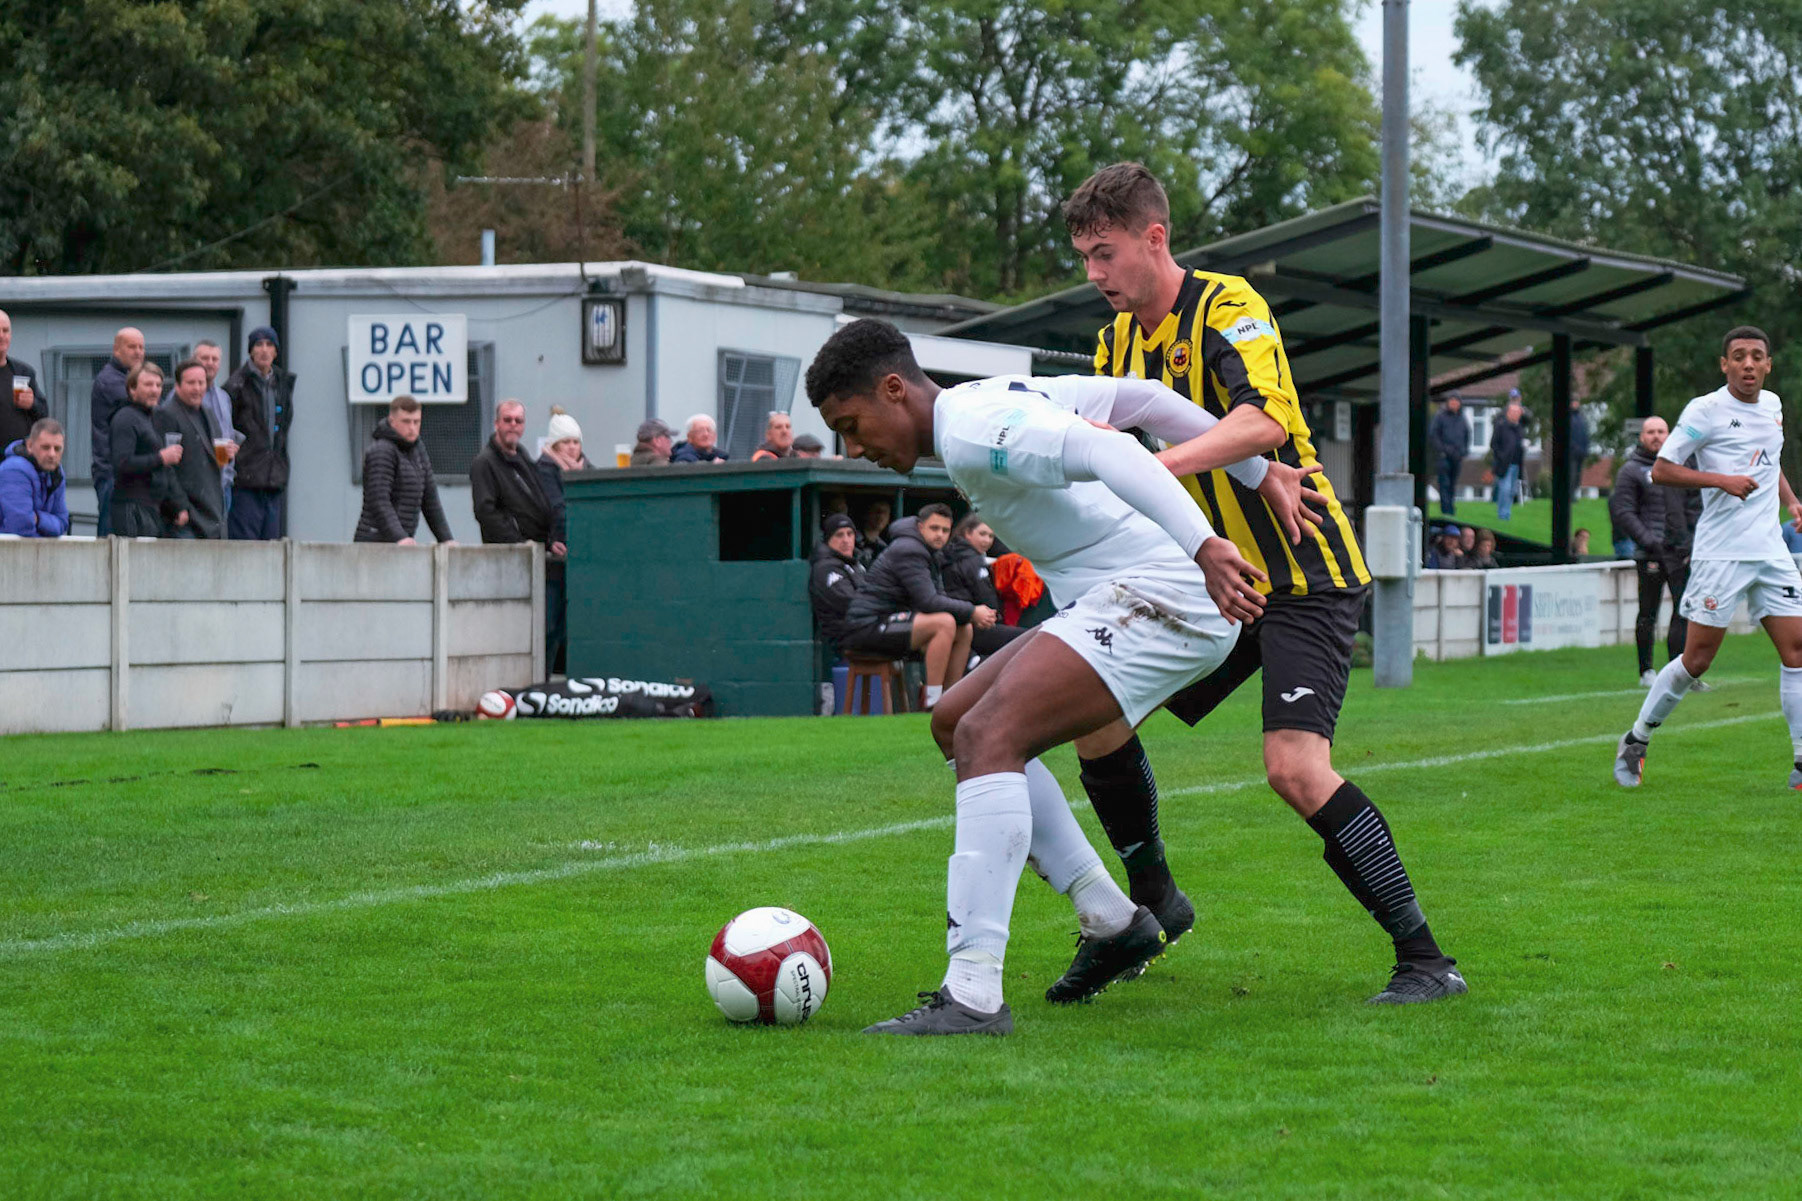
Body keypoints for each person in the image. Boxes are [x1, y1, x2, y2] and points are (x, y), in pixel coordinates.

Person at [806, 319, 1295, 1035]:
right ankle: (1110, 917)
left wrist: (1206, 545)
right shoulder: (990, 400)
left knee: (988, 734)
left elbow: (1108, 446)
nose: (854, 448)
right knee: (954, 722)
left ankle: (971, 992)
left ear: (893, 389)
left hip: (1167, 591)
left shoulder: (976, 428)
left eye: (852, 425)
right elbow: (1147, 397)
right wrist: (1260, 470)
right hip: (1127, 590)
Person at [1068, 161, 1463, 1004]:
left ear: (1154, 237)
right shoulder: (1114, 343)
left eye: (1104, 254)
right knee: (1091, 713)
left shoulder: (1228, 305)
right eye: (1086, 259)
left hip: (1301, 570)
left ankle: (1427, 959)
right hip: (1204, 574)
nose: (1094, 275)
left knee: (1293, 767)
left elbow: (1265, 419)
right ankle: (1156, 902)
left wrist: (1155, 469)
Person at [1615, 327, 1802, 789]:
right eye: (1738, 356)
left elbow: (1768, 460)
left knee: (1796, 652)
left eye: (1757, 356)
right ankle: (1637, 739)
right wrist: (1721, 481)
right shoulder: (1706, 410)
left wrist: (1792, 501)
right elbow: (1661, 470)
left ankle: (1800, 763)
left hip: (1770, 552)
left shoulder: (1775, 406)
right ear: (1725, 364)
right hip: (1721, 554)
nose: (1748, 364)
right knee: (1697, 659)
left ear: (1768, 364)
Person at [840, 503, 988, 709]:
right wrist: (972, 610)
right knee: (943, 623)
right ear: (920, 527)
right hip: (866, 626)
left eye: (945, 530)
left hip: (891, 622)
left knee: (964, 628)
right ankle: (933, 703)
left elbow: (938, 597)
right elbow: (928, 601)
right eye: (934, 528)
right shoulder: (909, 549)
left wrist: (967, 616)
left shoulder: (930, 551)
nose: (940, 535)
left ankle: (951, 701)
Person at [354, 394, 454, 546]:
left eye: (416, 422)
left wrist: (446, 539)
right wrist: (399, 537)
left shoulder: (418, 451)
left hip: (399, 543)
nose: (412, 428)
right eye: (406, 422)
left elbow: (430, 500)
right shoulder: (382, 451)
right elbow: (379, 500)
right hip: (374, 542)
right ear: (392, 421)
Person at [225, 325, 295, 540]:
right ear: (251, 350)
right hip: (245, 480)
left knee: (271, 548)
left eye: (269, 344)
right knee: (246, 548)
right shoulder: (236, 385)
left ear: (276, 351)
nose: (264, 350)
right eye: (259, 344)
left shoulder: (282, 383)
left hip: (274, 479)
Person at [535, 408, 589, 676]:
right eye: (566, 442)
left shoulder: (587, 470)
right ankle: (544, 679)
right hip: (555, 562)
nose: (572, 447)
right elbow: (557, 507)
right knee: (550, 626)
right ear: (555, 445)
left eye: (575, 442)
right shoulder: (544, 470)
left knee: (571, 627)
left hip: (580, 560)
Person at [109, 363, 186, 538]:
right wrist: (161, 458)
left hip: (152, 507)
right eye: (148, 385)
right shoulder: (126, 418)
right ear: (132, 389)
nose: (155, 390)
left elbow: (164, 469)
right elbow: (122, 463)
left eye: (158, 385)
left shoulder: (150, 417)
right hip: (132, 508)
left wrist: (177, 505)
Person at [158, 359, 228, 540]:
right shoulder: (168, 414)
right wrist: (178, 506)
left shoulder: (208, 412)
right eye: (191, 383)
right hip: (185, 515)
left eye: (201, 383)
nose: (197, 388)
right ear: (178, 385)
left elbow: (215, 458)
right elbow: (165, 467)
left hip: (211, 510)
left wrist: (226, 454)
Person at [943, 513, 1028, 658]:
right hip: (974, 627)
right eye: (982, 534)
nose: (987, 540)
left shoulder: (952, 552)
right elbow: (985, 597)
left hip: (964, 624)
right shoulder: (972, 559)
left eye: (991, 536)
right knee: (1028, 638)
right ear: (967, 533)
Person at [89, 326, 144, 537]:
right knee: (111, 542)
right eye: (132, 346)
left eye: (141, 347)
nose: (138, 352)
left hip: (129, 473)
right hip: (112, 474)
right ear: (116, 349)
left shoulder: (129, 379)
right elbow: (142, 406)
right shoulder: (111, 381)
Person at [0, 418, 68, 538]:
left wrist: (39, 518)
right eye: (45, 447)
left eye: (57, 449)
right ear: (30, 445)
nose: (52, 454)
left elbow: (62, 523)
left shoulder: (56, 473)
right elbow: (21, 527)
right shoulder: (14, 470)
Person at [808, 513, 866, 654]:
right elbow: (851, 604)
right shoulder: (825, 567)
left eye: (849, 534)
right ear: (828, 540)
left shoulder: (856, 564)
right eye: (839, 535)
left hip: (862, 629)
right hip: (843, 639)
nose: (846, 540)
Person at [194, 340, 235, 514]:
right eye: (204, 358)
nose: (210, 362)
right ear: (194, 360)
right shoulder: (185, 396)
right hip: (198, 487)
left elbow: (228, 434)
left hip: (224, 484)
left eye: (214, 359)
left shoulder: (224, 397)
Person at [0, 309, 46, 453]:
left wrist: (33, 404)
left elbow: (44, 415)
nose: (1, 336)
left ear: (11, 335)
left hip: (18, 460)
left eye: (5, 330)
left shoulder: (23, 372)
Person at [1428, 395, 1470, 516]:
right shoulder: (1440, 416)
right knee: (1444, 483)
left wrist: (1464, 450)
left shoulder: (1462, 418)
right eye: (1451, 401)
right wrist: (1442, 449)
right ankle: (1446, 509)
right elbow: (1433, 435)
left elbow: (1467, 434)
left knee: (1453, 483)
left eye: (1456, 401)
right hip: (1444, 456)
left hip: (1457, 456)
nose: (1454, 404)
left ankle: (1451, 507)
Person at [1490, 394, 1526, 521]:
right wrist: (1501, 456)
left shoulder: (1520, 428)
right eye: (1513, 412)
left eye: (1517, 412)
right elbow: (1493, 444)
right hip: (1504, 464)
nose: (1515, 414)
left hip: (1517, 463)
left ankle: (1507, 513)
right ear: (1508, 413)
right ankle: (1503, 515)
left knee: (1511, 491)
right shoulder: (1501, 426)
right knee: (1504, 490)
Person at [857, 498, 891, 566]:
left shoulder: (885, 547)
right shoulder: (852, 540)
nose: (880, 516)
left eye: (885, 513)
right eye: (877, 511)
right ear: (867, 514)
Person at [1568, 398, 1591, 500]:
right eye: (1573, 402)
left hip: (1581, 452)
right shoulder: (1569, 418)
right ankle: (1570, 495)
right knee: (1572, 474)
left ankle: (1574, 493)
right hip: (1572, 452)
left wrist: (1586, 448)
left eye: (1577, 402)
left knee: (1578, 474)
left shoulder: (1581, 418)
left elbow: (1585, 435)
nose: (1575, 404)